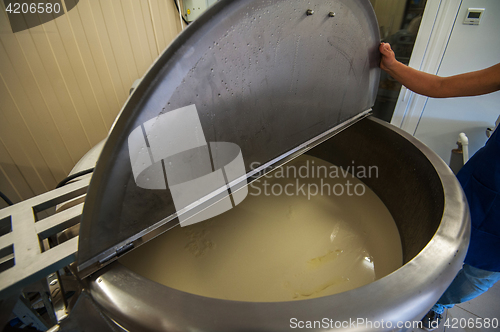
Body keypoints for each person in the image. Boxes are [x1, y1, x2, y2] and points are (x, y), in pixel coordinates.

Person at [379, 42, 500, 331]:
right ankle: (404, 292)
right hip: (485, 183)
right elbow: (441, 85)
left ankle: (437, 304)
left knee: (478, 276)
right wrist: (393, 66)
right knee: (437, 244)